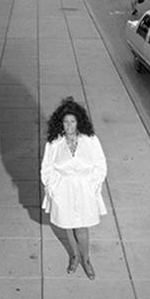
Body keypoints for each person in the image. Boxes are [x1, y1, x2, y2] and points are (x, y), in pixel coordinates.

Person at [40, 97, 107, 280]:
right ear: (60, 123)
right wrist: (53, 188)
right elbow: (47, 167)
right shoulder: (54, 143)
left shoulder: (90, 140)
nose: (69, 125)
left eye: (73, 121)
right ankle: (75, 256)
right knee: (67, 225)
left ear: (79, 122)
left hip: (85, 188)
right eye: (66, 122)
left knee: (81, 227)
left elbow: (100, 164)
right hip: (63, 189)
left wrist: (93, 185)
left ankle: (86, 259)